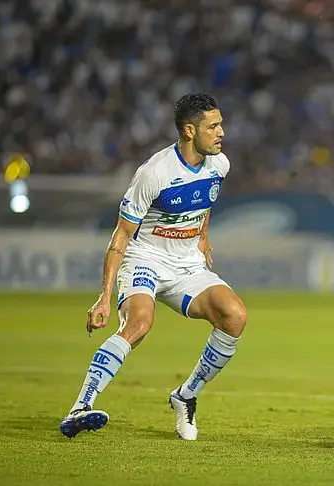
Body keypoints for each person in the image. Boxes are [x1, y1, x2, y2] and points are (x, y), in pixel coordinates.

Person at [59, 93, 248, 441]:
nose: (222, 132)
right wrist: (103, 297)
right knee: (140, 323)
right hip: (145, 258)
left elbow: (205, 201)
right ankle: (80, 407)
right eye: (214, 126)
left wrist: (203, 236)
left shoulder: (219, 164)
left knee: (235, 315)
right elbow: (120, 237)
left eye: (221, 124)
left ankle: (186, 396)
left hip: (187, 263)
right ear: (190, 131)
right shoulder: (154, 173)